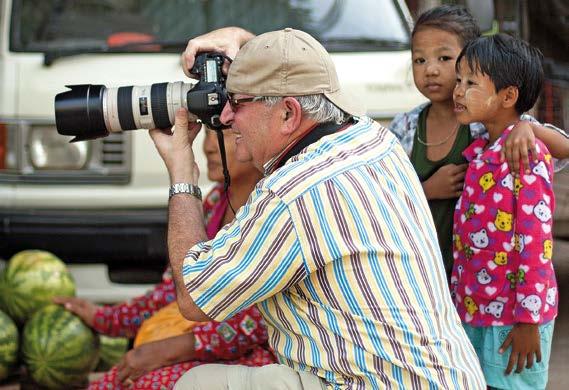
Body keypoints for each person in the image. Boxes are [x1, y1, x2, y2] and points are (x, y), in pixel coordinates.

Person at [151, 27, 486, 389]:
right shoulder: (373, 138)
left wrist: (182, 174)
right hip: (446, 378)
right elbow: (293, 66)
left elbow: (194, 300)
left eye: (238, 102)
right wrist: (246, 43)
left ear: (287, 114)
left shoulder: (292, 193)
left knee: (199, 385)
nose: (226, 117)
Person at [54, 128, 272, 389]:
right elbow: (174, 289)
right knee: (113, 382)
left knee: (149, 383)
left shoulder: (268, 210)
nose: (209, 147)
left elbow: (258, 321)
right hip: (198, 347)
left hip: (256, 358)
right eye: (207, 132)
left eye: (222, 134)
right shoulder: (214, 203)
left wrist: (172, 349)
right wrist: (107, 319)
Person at [389, 5, 569, 278]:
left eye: (444, 58)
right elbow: (383, 194)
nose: (431, 70)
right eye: (420, 60)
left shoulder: (487, 124)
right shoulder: (404, 127)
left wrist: (525, 127)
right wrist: (425, 190)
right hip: (418, 269)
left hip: (477, 278)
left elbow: (563, 147)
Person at [451, 33, 558, 390]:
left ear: (508, 96)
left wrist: (528, 320)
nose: (458, 91)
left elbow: (535, 243)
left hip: (515, 318)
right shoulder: (482, 150)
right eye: (459, 81)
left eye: (470, 83)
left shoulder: (525, 156)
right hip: (479, 309)